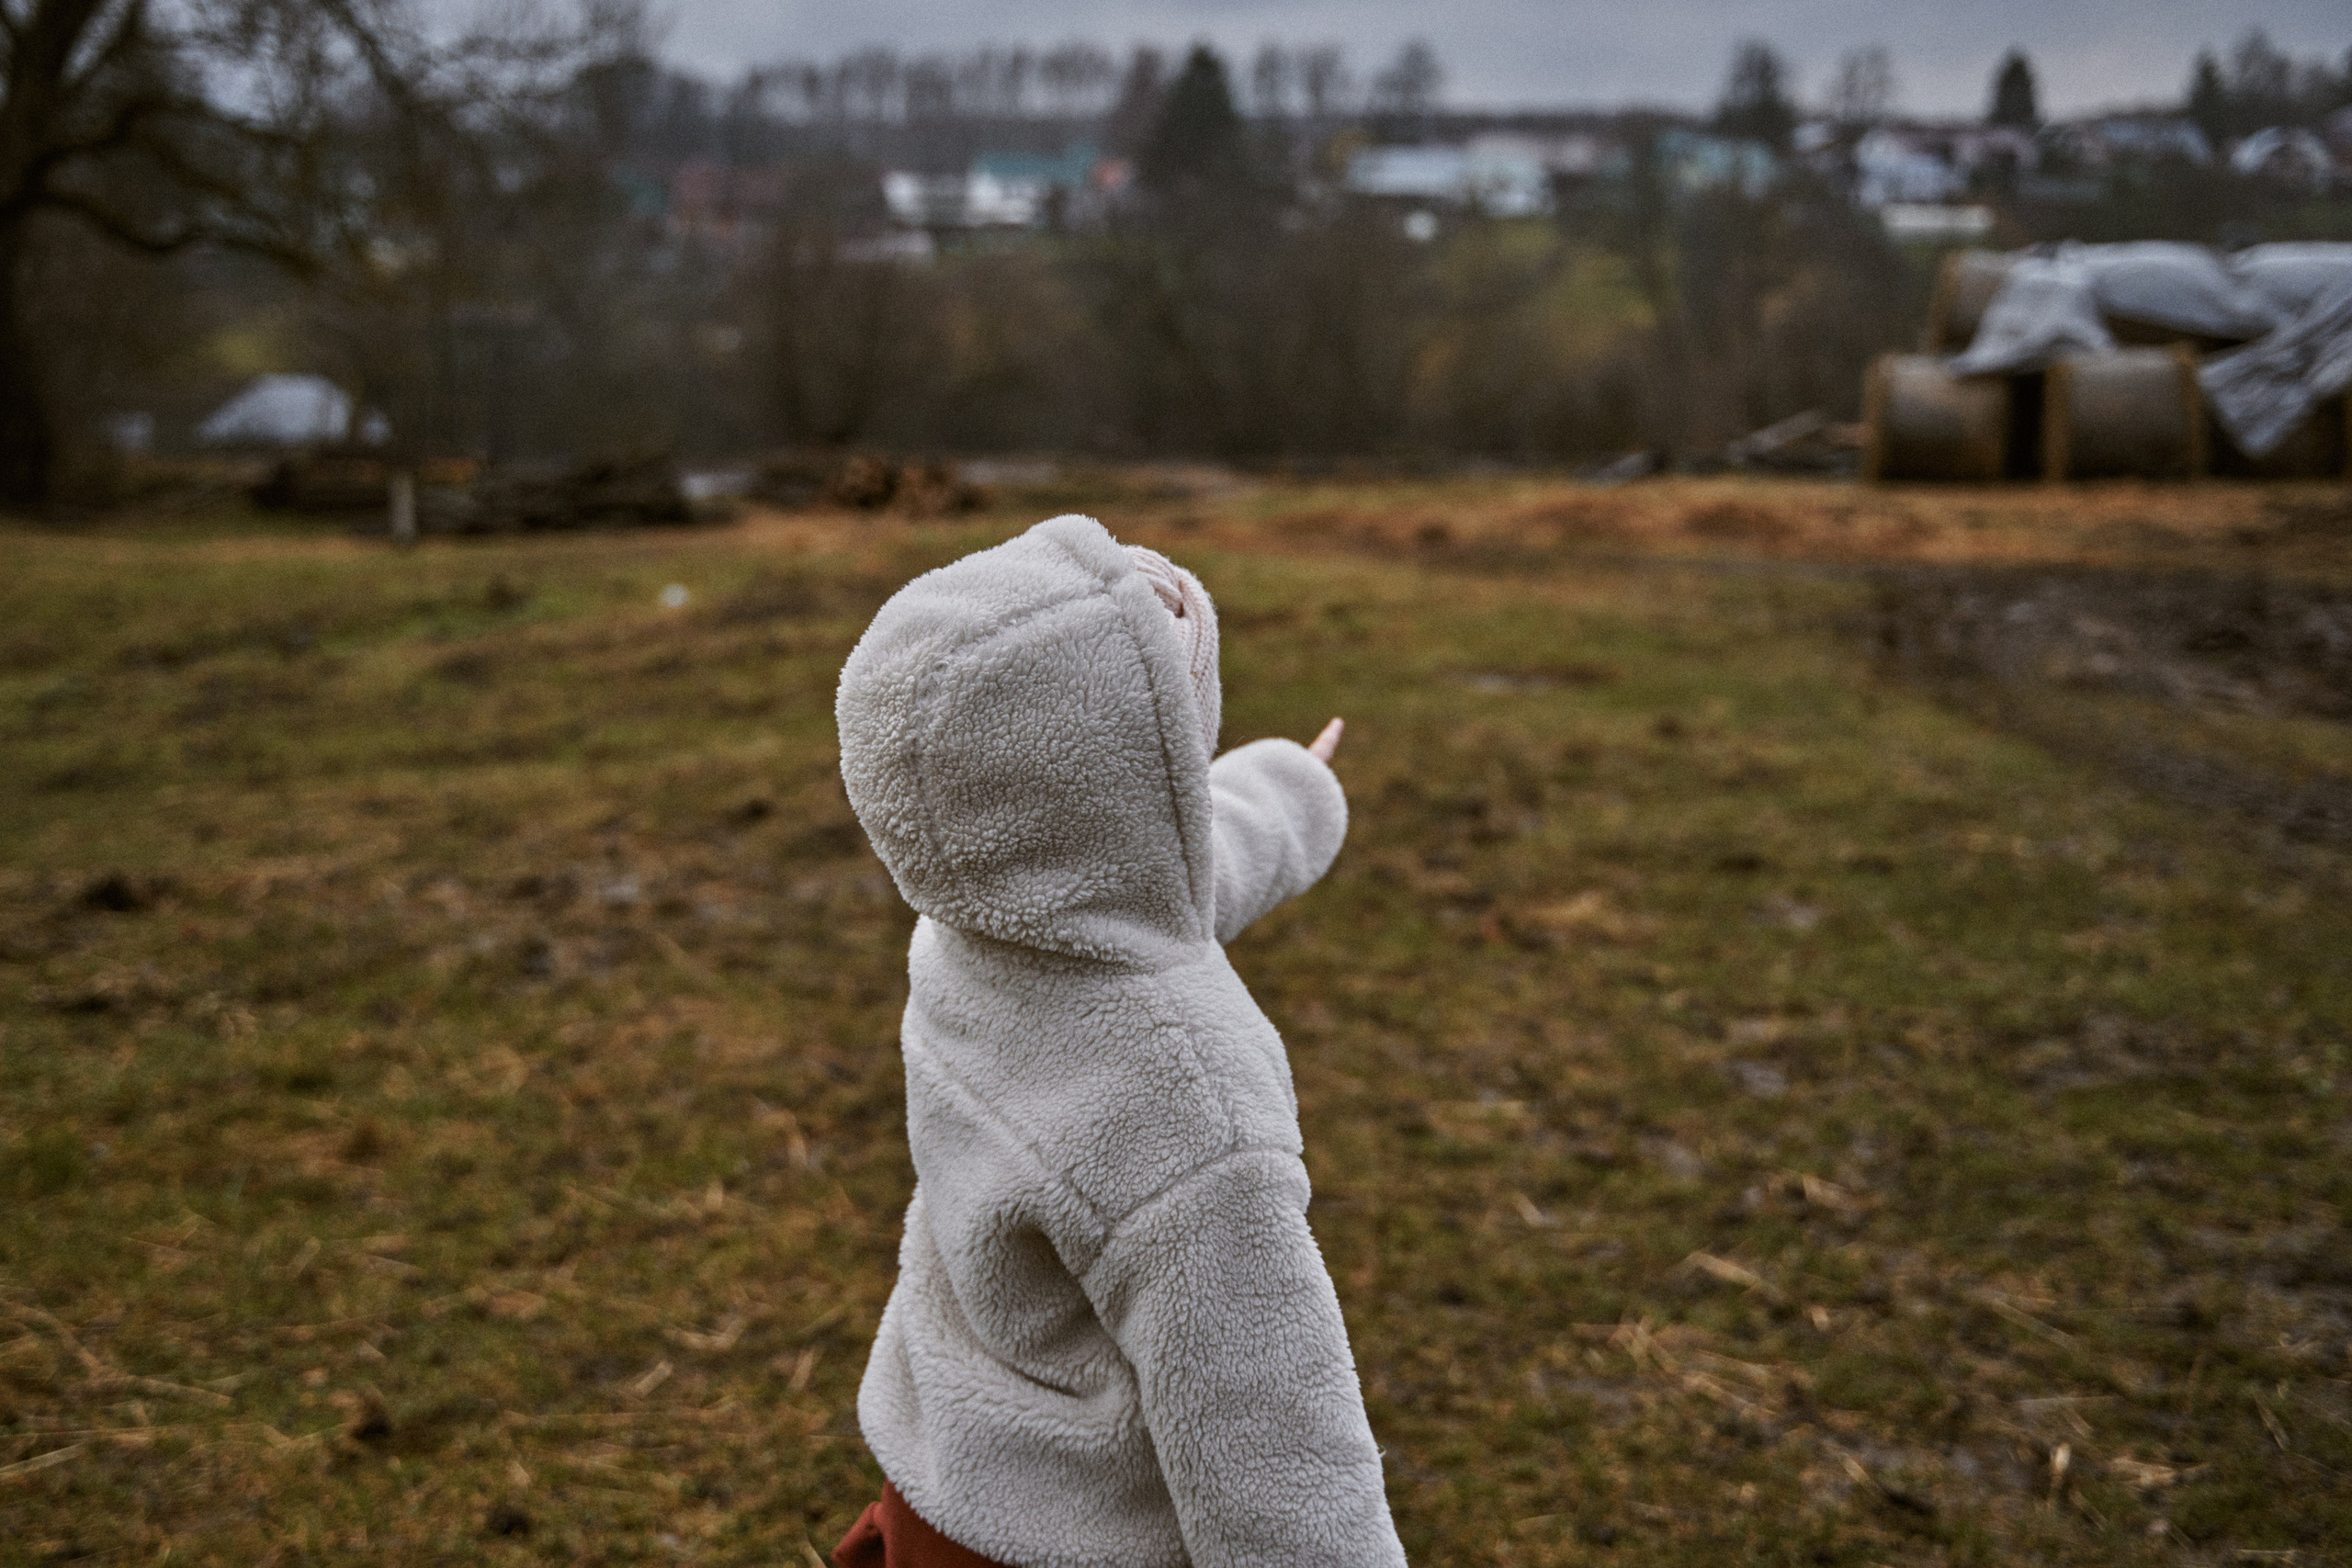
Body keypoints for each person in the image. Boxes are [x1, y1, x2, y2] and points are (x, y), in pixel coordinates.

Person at [830, 513, 1404, 1567]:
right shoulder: (1186, 1109)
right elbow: (1276, 1450)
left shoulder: (974, 925)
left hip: (944, 1495)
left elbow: (1150, 878)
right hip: (1079, 1540)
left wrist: (1291, 790)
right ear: (1114, 786)